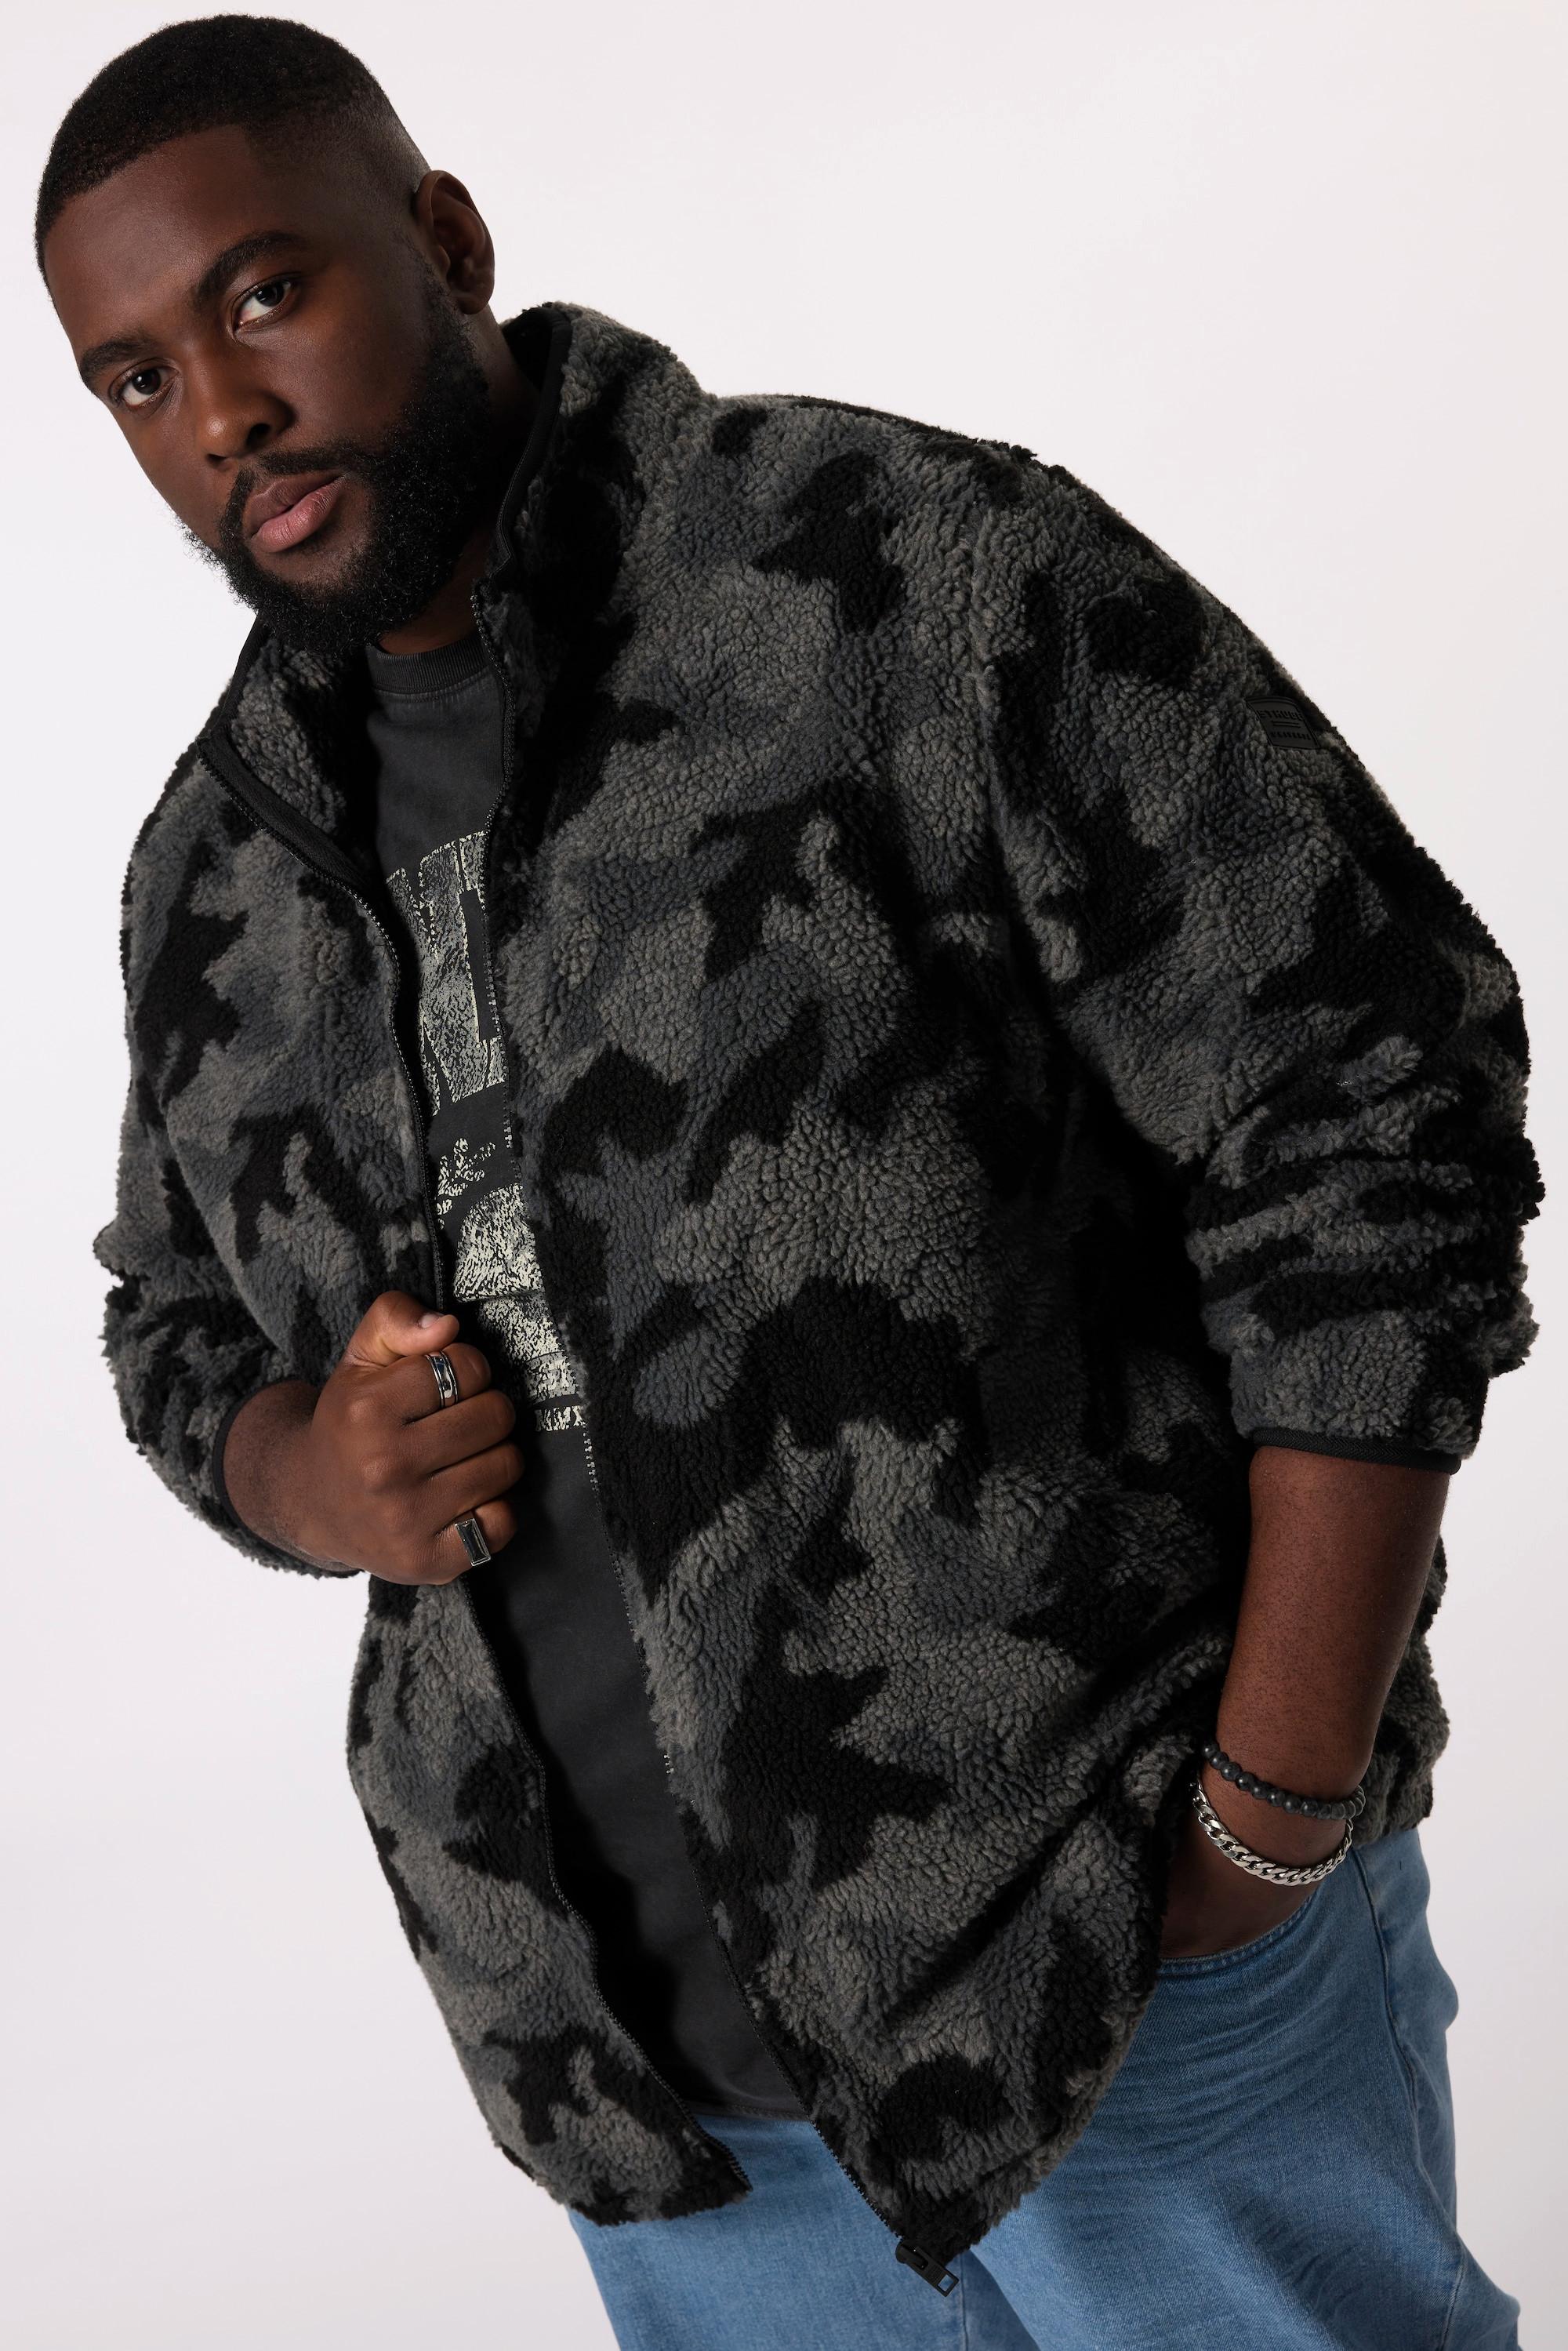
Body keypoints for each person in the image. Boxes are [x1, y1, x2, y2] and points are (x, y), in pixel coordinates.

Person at [39, 16, 1541, 2347]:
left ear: (442, 240)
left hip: (1116, 1973)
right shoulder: (211, 870)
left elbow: (1372, 1102)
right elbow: (171, 1324)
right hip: (658, 2116)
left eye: (262, 295)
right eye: (134, 378)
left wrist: (1275, 1795)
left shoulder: (907, 578)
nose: (219, 415)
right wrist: (299, 1469)